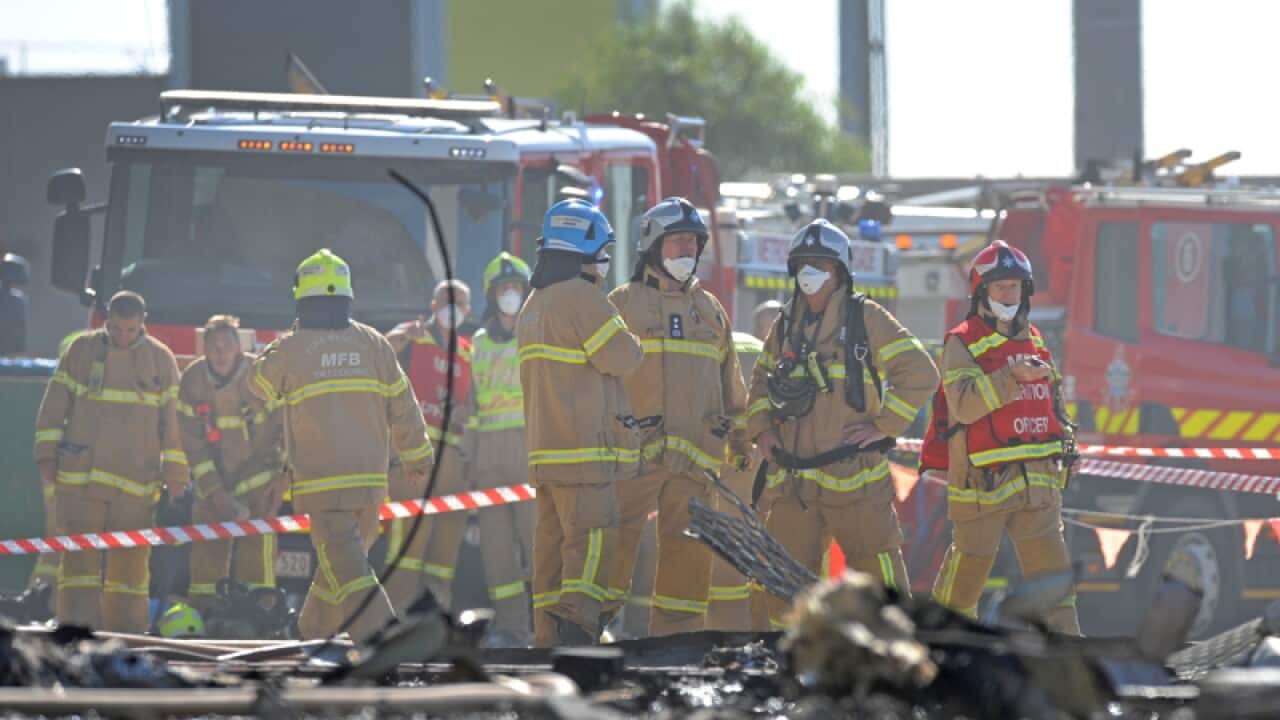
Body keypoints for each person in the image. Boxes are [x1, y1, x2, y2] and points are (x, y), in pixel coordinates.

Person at [746, 220, 938, 628]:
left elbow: (921, 372)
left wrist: (884, 425)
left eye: (820, 264)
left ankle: (897, 654)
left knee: (878, 579)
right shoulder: (786, 324)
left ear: (840, 272)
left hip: (855, 479)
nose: (810, 272)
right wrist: (762, 428)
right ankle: (787, 664)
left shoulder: (867, 318)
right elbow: (761, 378)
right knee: (782, 581)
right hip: (795, 481)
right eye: (803, 263)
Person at [250, 249, 432, 642]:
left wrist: (287, 339)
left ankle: (384, 638)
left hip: (323, 486)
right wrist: (417, 457)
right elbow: (404, 404)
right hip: (370, 485)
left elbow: (256, 384)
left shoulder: (292, 349)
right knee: (342, 565)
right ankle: (313, 632)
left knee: (348, 570)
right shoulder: (375, 343)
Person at [604, 197, 748, 636]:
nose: (686, 251)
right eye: (676, 242)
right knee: (611, 547)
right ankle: (589, 634)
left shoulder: (711, 311)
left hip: (696, 466)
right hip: (631, 461)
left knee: (688, 561)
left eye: (692, 242)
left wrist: (741, 442)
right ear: (652, 245)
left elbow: (732, 387)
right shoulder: (621, 304)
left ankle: (677, 646)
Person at [921, 240, 1081, 634]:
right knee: (961, 588)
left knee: (1055, 587)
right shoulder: (962, 342)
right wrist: (1012, 377)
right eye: (1000, 287)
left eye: (1015, 287)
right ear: (981, 292)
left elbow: (1053, 400)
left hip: (1037, 486)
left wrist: (1068, 444)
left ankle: (1070, 666)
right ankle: (939, 658)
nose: (1009, 295)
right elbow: (962, 406)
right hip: (982, 486)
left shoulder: (1037, 339)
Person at [518, 199, 644, 646]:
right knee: (591, 544)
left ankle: (546, 639)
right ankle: (579, 631)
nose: (606, 262)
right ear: (587, 250)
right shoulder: (584, 298)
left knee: (550, 552)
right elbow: (624, 357)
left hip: (546, 454)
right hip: (586, 453)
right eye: (604, 251)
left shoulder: (533, 303)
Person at [33, 290, 189, 632]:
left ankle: (127, 635)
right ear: (107, 321)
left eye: (130, 330)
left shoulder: (160, 359)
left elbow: (174, 424)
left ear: (142, 324)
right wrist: (46, 454)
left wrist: (176, 474)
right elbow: (54, 406)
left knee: (130, 570)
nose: (122, 337)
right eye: (116, 329)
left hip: (136, 483)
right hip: (81, 480)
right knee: (78, 564)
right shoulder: (82, 351)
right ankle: (74, 630)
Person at [177, 314, 286, 618]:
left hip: (260, 477)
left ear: (239, 347)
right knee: (206, 551)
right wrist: (215, 493)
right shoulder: (192, 380)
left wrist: (284, 476)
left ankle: (259, 616)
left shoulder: (259, 375)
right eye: (214, 346)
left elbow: (287, 422)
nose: (221, 352)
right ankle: (204, 617)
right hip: (215, 481)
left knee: (257, 551)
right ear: (204, 349)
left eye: (227, 345)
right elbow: (192, 443)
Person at [382, 279, 473, 614]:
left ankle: (436, 621)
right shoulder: (414, 335)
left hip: (452, 461)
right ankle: (391, 619)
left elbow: (477, 401)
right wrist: (400, 337)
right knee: (407, 544)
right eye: (446, 301)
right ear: (433, 305)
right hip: (413, 454)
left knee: (444, 553)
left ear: (468, 311)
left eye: (459, 303)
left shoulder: (468, 350)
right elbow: (383, 350)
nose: (452, 308)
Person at [463, 252, 535, 645]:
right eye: (504, 289)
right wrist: (469, 456)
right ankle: (513, 628)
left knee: (536, 542)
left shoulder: (535, 334)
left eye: (516, 288)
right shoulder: (477, 342)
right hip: (489, 455)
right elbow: (472, 403)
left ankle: (550, 626)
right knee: (496, 549)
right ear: (492, 295)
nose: (511, 295)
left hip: (527, 448)